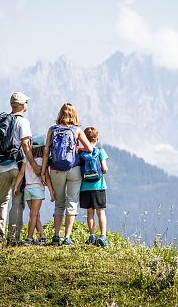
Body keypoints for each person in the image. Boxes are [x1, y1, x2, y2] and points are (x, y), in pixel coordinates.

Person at [0, 92, 41, 246]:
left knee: (1, 200)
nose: (27, 104)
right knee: (17, 203)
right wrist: (34, 165)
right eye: (26, 102)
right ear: (21, 105)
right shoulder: (23, 122)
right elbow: (26, 146)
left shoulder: (2, 120)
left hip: (2, 167)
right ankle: (13, 238)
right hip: (17, 167)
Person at [41, 103, 93, 246]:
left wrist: (43, 171)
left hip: (56, 170)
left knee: (59, 204)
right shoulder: (76, 130)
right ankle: (67, 238)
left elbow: (46, 152)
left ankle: (56, 236)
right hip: (74, 169)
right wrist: (77, 150)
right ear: (73, 115)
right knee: (72, 202)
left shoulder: (52, 130)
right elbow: (89, 148)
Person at [13, 135, 55, 245]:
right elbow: (47, 177)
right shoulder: (43, 161)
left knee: (34, 214)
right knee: (34, 215)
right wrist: (51, 192)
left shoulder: (27, 159)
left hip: (27, 189)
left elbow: (21, 173)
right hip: (37, 190)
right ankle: (29, 238)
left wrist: (16, 186)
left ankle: (42, 236)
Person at [79, 127, 109, 247]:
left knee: (90, 212)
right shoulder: (100, 151)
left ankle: (92, 236)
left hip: (85, 187)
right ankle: (103, 236)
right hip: (99, 186)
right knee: (100, 212)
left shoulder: (81, 153)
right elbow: (105, 169)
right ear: (96, 139)